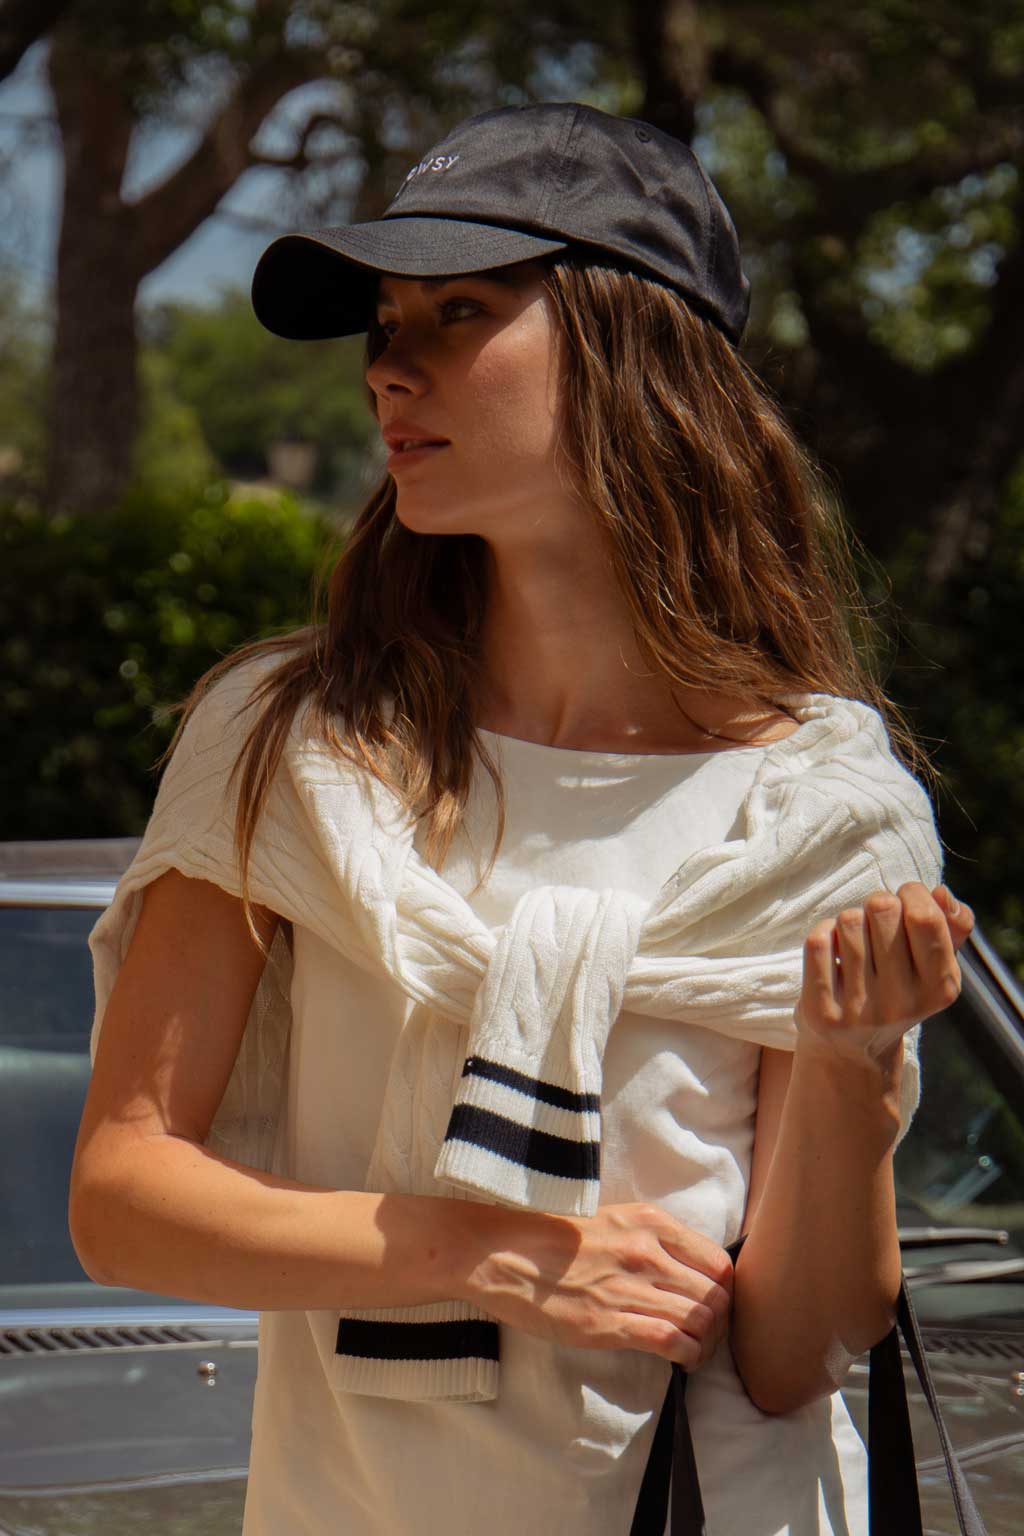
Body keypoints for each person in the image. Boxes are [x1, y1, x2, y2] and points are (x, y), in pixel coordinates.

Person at [71, 101, 974, 1536]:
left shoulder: (823, 807)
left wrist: (853, 1061)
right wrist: (488, 1252)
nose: (391, 367)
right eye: (385, 324)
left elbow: (795, 1354)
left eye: (460, 313)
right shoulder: (293, 748)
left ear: (633, 350)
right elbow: (124, 1200)